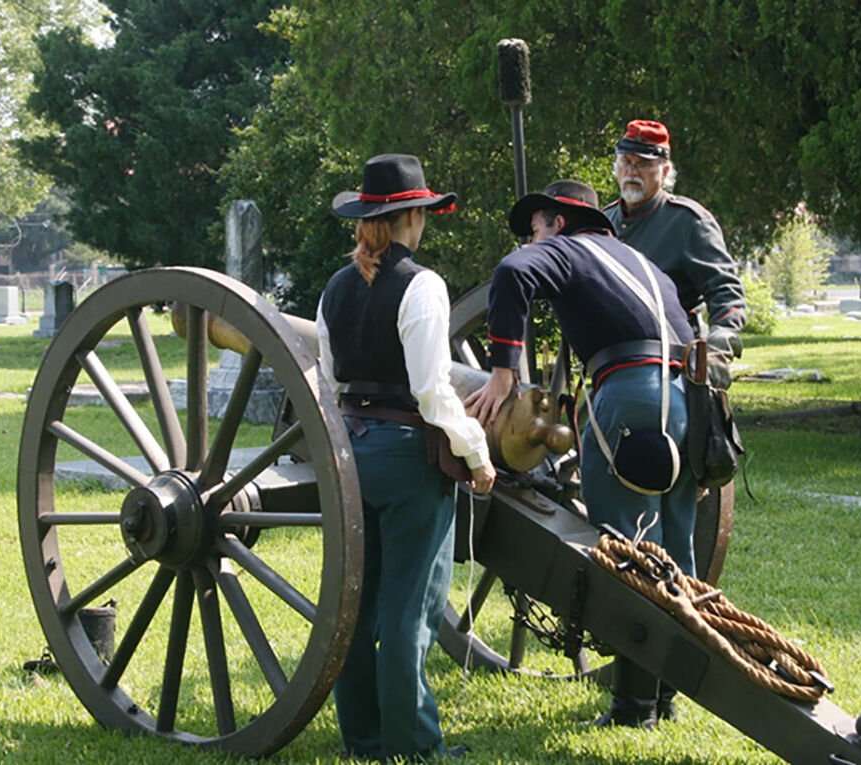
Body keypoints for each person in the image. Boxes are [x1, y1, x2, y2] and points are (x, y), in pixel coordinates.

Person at [465, 180, 694, 730]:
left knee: (629, 557)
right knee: (677, 558)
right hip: (688, 405)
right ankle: (666, 692)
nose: (534, 240)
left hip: (631, 400)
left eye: (537, 228)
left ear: (560, 223)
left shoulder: (566, 249)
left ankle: (635, 709)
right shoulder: (641, 261)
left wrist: (501, 374)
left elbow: (514, 272)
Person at [317, 153, 496, 760]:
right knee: (411, 607)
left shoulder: (335, 288)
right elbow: (433, 389)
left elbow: (327, 378)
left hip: (350, 456)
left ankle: (363, 741)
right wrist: (475, 452)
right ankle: (414, 744)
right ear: (414, 217)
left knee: (357, 606)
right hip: (405, 455)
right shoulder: (422, 285)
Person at [604, 119, 747, 388]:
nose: (632, 171)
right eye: (627, 161)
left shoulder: (688, 222)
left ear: (665, 170)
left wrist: (716, 350)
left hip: (675, 366)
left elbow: (727, 294)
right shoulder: (602, 223)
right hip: (611, 366)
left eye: (644, 164)